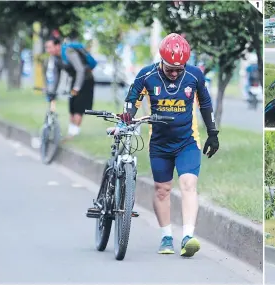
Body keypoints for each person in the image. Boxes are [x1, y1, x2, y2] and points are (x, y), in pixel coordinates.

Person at [108, 33, 219, 258]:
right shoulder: (147, 75)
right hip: (159, 143)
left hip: (187, 141)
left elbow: (205, 103)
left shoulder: (195, 75)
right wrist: (126, 119)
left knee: (188, 184)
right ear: (161, 61)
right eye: (170, 69)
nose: (175, 73)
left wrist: (213, 132)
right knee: (162, 189)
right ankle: (166, 236)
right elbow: (132, 101)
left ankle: (188, 236)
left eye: (180, 69)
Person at [44, 35, 96, 138]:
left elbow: (80, 70)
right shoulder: (55, 58)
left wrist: (76, 88)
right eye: (47, 48)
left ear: (57, 46)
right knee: (72, 106)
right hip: (75, 81)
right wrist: (52, 91)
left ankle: (74, 133)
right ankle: (71, 132)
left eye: (49, 47)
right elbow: (56, 76)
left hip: (86, 80)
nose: (48, 50)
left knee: (78, 107)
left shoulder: (69, 52)